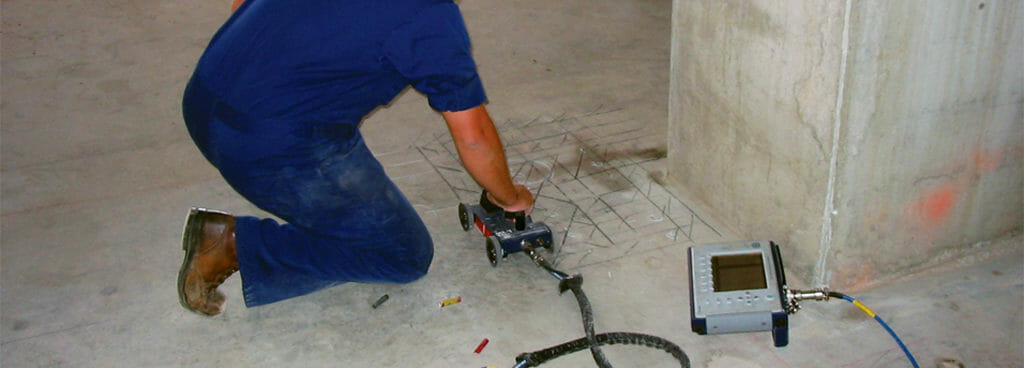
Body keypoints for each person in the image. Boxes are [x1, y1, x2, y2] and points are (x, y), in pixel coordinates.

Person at [177, 0, 534, 316]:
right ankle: (236, 244)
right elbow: (474, 138)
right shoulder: (429, 16)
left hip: (204, 95)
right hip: (266, 145)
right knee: (402, 255)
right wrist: (509, 197)